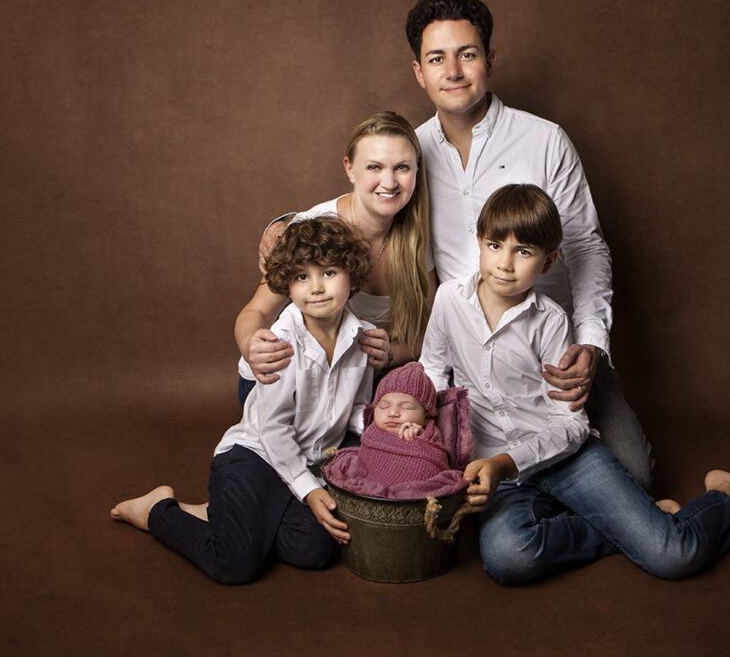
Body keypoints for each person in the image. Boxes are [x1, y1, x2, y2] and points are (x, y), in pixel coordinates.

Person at [418, 184, 730, 585]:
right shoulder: (448, 300)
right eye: (495, 245)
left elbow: (572, 425)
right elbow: (434, 372)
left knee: (674, 556)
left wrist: (503, 463)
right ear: (478, 241)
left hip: (566, 459)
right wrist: (430, 444)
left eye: (523, 251)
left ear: (548, 262)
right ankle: (637, 522)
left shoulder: (552, 322)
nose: (504, 263)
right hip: (503, 476)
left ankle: (726, 498)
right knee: (509, 557)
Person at [404, 0, 655, 492]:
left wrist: (590, 346)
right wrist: (285, 223)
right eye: (437, 58)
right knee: (469, 491)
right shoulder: (411, 152)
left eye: (467, 54)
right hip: (473, 365)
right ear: (419, 72)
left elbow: (586, 248)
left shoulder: (544, 140)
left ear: (490, 61)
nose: (453, 70)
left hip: (556, 356)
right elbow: (363, 204)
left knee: (636, 480)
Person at [111, 216, 376, 582]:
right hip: (258, 455)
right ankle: (156, 509)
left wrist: (384, 428)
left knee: (315, 549)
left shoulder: (364, 339)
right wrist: (308, 491)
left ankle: (233, 514)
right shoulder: (280, 343)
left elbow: (357, 410)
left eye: (329, 272)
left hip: (309, 461)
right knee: (235, 562)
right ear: (287, 284)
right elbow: (272, 427)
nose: (316, 287)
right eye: (301, 277)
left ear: (351, 273)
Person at [238, 111, 437, 403]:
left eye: (402, 168)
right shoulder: (314, 228)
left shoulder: (417, 238)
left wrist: (393, 352)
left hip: (354, 386)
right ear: (350, 169)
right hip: (287, 383)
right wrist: (251, 346)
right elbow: (255, 312)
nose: (390, 181)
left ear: (417, 171)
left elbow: (435, 333)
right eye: (374, 167)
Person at [322, 362, 466, 500]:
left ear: (426, 414)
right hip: (364, 496)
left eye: (406, 407)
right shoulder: (372, 431)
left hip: (409, 498)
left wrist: (421, 439)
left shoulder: (428, 432)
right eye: (384, 406)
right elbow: (364, 456)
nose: (393, 413)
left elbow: (436, 460)